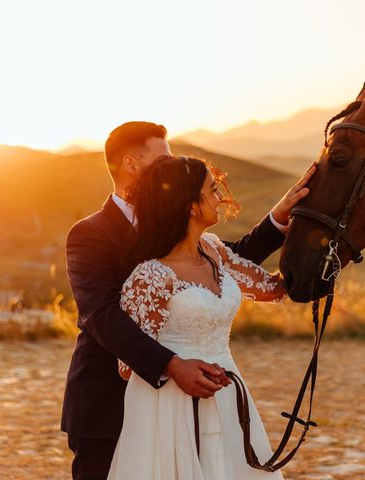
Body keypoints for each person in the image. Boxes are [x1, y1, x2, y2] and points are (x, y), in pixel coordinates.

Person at [63, 121, 315, 479]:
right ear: (131, 164)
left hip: (209, 398)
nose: (173, 165)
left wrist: (278, 221)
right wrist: (170, 364)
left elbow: (227, 264)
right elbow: (99, 315)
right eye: (163, 158)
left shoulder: (200, 243)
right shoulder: (90, 234)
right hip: (108, 402)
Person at [108, 155, 285, 479]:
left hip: (229, 393)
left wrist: (319, 244)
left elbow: (273, 289)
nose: (220, 197)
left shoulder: (213, 251)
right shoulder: (150, 276)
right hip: (169, 411)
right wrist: (177, 364)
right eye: (212, 189)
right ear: (190, 206)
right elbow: (126, 366)